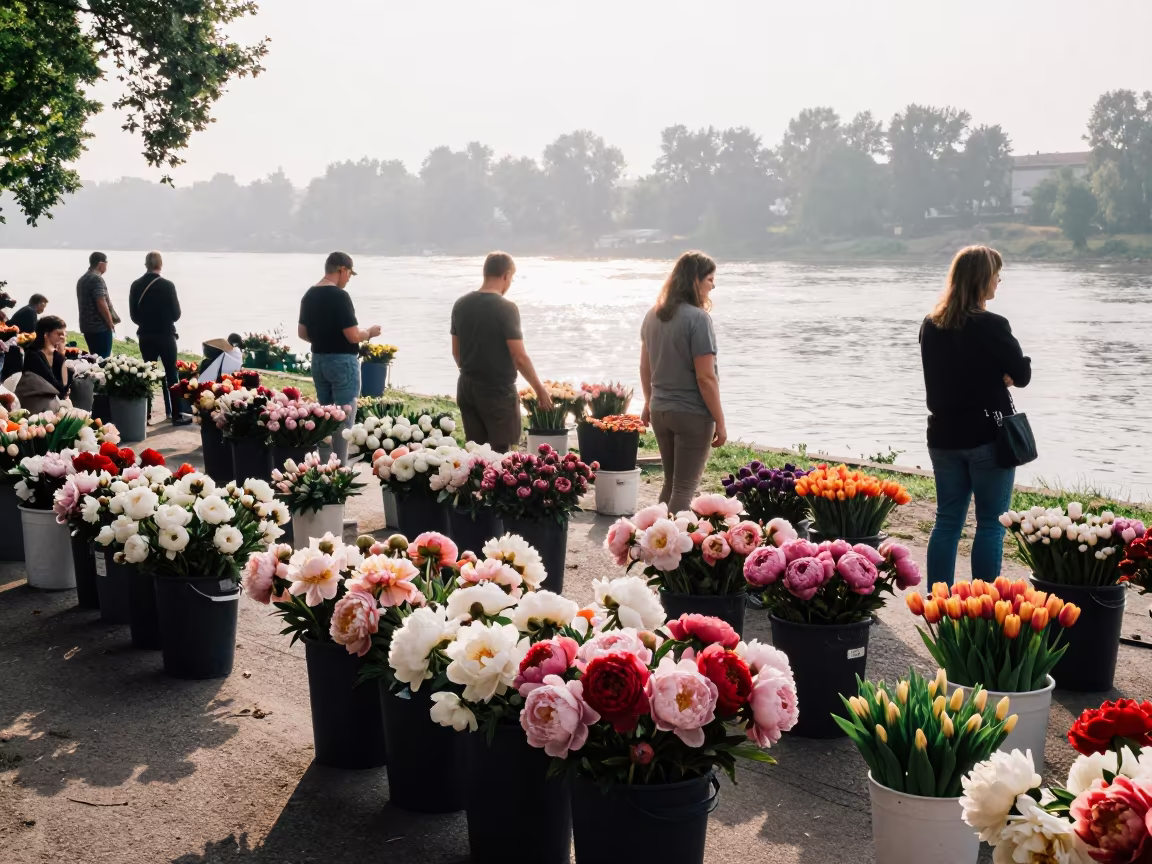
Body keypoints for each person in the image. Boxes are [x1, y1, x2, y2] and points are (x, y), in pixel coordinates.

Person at [919, 245, 1032, 585]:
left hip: (943, 436)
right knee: (990, 525)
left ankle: (938, 603)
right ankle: (984, 608)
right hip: (987, 437)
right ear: (983, 279)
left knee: (947, 522)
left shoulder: (930, 325)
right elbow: (1021, 375)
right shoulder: (993, 325)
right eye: (996, 273)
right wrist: (1012, 370)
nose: (999, 279)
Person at [639, 251, 726, 513]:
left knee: (671, 484)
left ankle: (654, 542)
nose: (713, 285)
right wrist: (720, 421)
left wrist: (649, 402)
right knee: (685, 487)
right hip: (691, 413)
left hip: (661, 410)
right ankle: (672, 550)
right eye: (710, 279)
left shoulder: (652, 315)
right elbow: (706, 377)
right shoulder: (699, 319)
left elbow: (645, 367)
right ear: (695, 281)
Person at [450, 252, 552, 452]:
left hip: (467, 387)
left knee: (476, 455)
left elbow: (456, 353)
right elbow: (519, 357)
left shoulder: (461, 304)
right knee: (503, 455)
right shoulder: (506, 308)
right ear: (506, 275)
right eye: (511, 278)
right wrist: (540, 390)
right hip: (497, 393)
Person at [298, 252, 380, 462]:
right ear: (342, 269)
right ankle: (340, 469)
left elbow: (302, 333)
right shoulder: (339, 296)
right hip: (343, 362)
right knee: (344, 421)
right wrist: (369, 333)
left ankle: (325, 466)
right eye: (349, 274)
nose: (349, 279)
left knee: (325, 417)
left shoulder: (309, 295)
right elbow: (353, 335)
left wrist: (324, 339)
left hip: (319, 360)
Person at [129, 251, 188, 424]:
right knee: (171, 372)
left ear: (146, 264)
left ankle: (145, 414)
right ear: (160, 265)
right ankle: (176, 414)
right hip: (165, 335)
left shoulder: (135, 285)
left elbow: (134, 316)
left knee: (148, 373)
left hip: (146, 335)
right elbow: (176, 314)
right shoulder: (168, 285)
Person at [15, 315, 70, 413]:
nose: (63, 338)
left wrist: (61, 355)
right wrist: (61, 355)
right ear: (46, 334)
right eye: (59, 334)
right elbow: (59, 390)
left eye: (64, 334)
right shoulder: (33, 356)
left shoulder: (54, 356)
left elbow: (63, 389)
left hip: (49, 404)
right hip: (36, 406)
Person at [77, 252, 117, 357]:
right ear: (100, 264)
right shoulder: (96, 279)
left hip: (87, 326)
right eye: (106, 263)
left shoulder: (82, 279)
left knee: (94, 357)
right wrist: (110, 322)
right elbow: (101, 302)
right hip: (100, 327)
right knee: (103, 359)